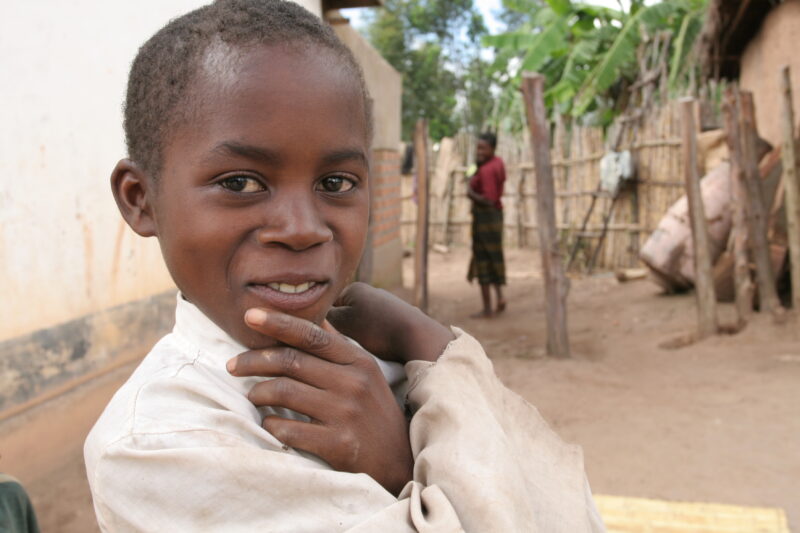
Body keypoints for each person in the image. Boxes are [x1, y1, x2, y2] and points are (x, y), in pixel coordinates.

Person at [84, 1, 605, 531]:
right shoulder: (158, 444)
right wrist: (406, 462)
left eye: (335, 183)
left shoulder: (387, 369)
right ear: (140, 199)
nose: (302, 228)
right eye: (240, 183)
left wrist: (425, 347)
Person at [467, 132, 507, 318]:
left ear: (492, 148)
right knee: (495, 257)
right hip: (495, 218)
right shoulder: (497, 163)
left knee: (483, 261)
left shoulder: (487, 170)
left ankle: (487, 308)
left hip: (485, 219)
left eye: (483, 148)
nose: (479, 151)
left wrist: (471, 193)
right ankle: (500, 297)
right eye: (478, 148)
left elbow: (489, 199)